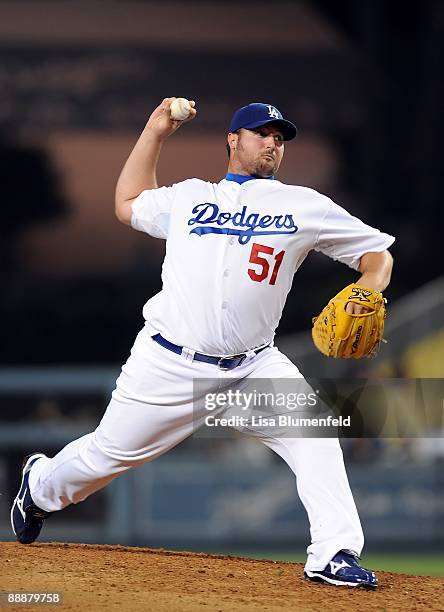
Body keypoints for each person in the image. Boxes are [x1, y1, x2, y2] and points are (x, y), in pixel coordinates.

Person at [11, 99, 395, 589]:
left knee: (314, 435)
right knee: (106, 455)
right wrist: (154, 131)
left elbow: (377, 255)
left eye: (279, 136)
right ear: (233, 140)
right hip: (169, 362)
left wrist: (369, 287)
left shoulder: (305, 206)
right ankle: (40, 487)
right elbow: (127, 204)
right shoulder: (190, 197)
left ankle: (333, 553)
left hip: (252, 367)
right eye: (261, 132)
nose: (272, 142)